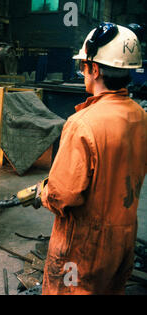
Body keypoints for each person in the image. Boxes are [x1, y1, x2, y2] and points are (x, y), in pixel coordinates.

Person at [35, 23, 147, 294]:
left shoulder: (82, 124)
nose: (83, 71)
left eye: (83, 66)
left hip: (83, 247)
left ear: (94, 69)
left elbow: (63, 194)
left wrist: (43, 192)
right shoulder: (139, 115)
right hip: (123, 240)